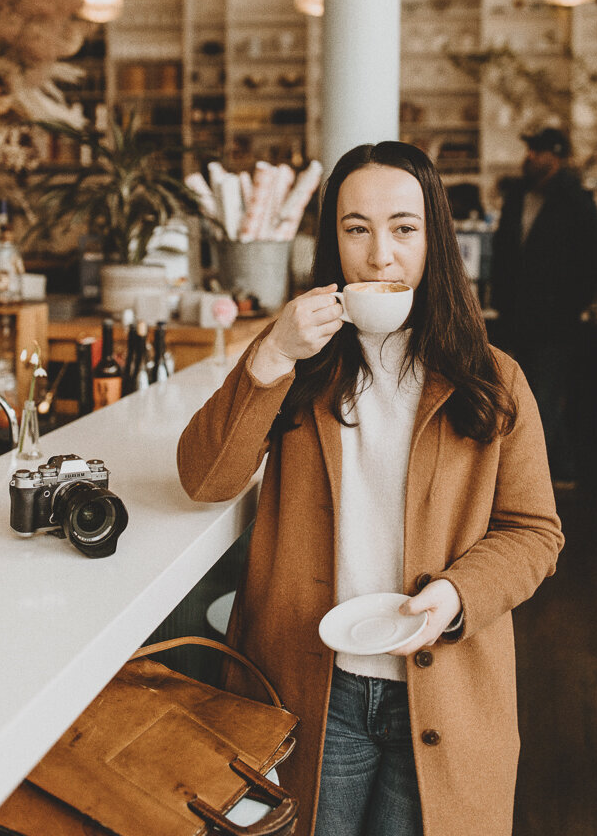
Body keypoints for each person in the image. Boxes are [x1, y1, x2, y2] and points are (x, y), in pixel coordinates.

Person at [178, 141, 563, 836]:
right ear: (332, 246)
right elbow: (206, 478)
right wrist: (269, 355)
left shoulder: (494, 378)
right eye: (356, 229)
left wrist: (456, 593)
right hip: (308, 687)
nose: (380, 255)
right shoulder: (298, 365)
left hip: (441, 687)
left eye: (403, 229)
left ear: (434, 240)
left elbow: (534, 531)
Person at [491, 126, 597, 488]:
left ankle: (544, 476)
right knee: (525, 397)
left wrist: (571, 307)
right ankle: (556, 469)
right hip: (516, 319)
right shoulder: (517, 197)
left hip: (556, 323)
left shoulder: (576, 201)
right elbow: (503, 255)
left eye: (536, 152)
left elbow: (595, 259)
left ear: (554, 157)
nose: (528, 158)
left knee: (542, 397)